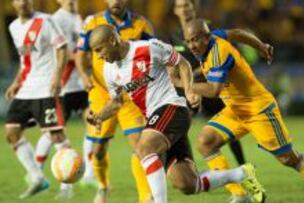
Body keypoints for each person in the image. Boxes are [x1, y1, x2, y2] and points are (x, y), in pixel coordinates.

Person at [86, 24, 264, 203]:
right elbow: (116, 103)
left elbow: (182, 63)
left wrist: (188, 90)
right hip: (157, 122)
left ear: (112, 40)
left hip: (172, 108)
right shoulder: (109, 71)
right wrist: (99, 116)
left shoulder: (148, 48)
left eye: (99, 49)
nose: (98, 56)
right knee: (187, 184)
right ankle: (240, 173)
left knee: (143, 148)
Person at [183, 19, 304, 203]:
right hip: (236, 109)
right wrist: (261, 46)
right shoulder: (211, 42)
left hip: (259, 109)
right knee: (205, 142)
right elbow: (238, 32)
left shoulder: (219, 53)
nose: (191, 45)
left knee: (288, 159)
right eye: (188, 41)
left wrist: (185, 84)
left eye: (195, 40)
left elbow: (214, 90)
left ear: (207, 37)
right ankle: (240, 195)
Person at [173, 1, 271, 202]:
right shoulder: (174, 35)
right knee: (191, 136)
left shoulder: (207, 27)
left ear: (194, 7)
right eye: (180, 6)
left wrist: (191, 77)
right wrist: (186, 84)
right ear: (175, 11)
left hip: (213, 85)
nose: (185, 9)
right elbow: (175, 65)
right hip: (192, 90)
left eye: (188, 5)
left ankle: (248, 177)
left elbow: (222, 52)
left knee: (231, 137)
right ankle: (236, 187)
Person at [76, 0, 153, 202]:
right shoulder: (92, 22)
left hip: (130, 95)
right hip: (101, 94)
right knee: (98, 150)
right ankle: (103, 186)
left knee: (140, 146)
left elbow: (151, 53)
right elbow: (80, 54)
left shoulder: (141, 24)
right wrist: (84, 76)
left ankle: (146, 196)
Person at [4, 0, 71, 199]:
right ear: (13, 4)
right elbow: (26, 61)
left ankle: (67, 188)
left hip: (46, 88)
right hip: (26, 88)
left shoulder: (46, 21)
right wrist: (16, 82)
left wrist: (57, 77)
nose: (23, 2)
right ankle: (37, 178)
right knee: (11, 132)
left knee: (56, 136)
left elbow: (62, 48)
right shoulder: (13, 27)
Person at [30, 0, 88, 199]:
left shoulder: (77, 17)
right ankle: (40, 174)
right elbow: (61, 51)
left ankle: (87, 175)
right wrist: (85, 56)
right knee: (53, 133)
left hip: (79, 86)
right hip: (62, 87)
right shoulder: (56, 20)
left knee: (94, 126)